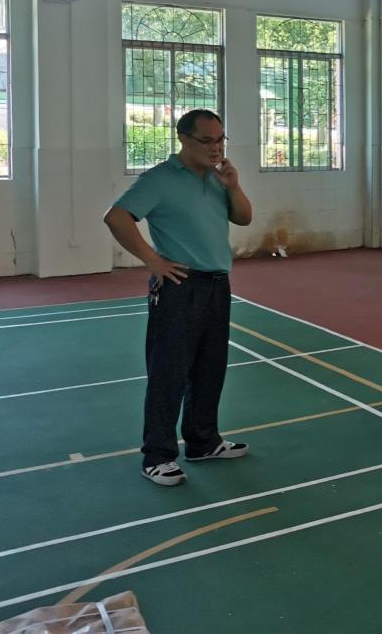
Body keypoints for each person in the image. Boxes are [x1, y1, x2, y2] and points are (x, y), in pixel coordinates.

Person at [103, 109, 254, 487]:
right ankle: (157, 456)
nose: (216, 147)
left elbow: (244, 218)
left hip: (217, 284)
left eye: (220, 139)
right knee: (169, 372)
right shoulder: (159, 179)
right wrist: (152, 260)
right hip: (180, 286)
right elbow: (117, 217)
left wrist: (233, 186)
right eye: (207, 140)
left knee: (210, 368)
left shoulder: (218, 178)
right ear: (184, 139)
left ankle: (203, 442)